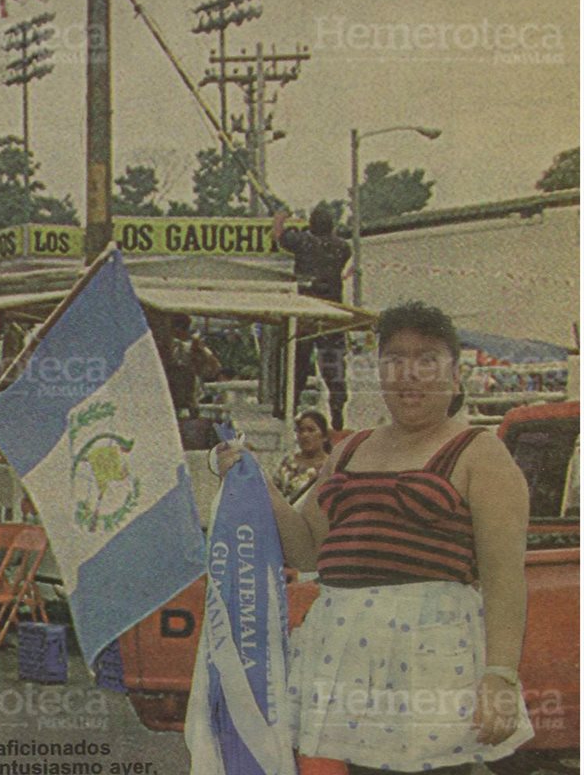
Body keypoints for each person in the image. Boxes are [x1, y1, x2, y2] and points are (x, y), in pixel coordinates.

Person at [216, 301, 533, 774]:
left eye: (427, 360)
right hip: (346, 655)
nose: (409, 374)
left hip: (430, 660)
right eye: (394, 360)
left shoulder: (479, 453)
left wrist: (501, 676)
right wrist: (252, 479)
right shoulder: (349, 449)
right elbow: (306, 549)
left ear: (456, 372)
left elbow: (505, 577)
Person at [274, 206, 352, 429]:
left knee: (297, 361)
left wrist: (280, 217)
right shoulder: (343, 248)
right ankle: (337, 406)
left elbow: (280, 236)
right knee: (333, 363)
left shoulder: (304, 243)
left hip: (306, 311)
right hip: (331, 312)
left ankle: (289, 405)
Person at [165, 315, 222, 419]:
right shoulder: (170, 345)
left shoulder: (192, 346)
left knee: (190, 411)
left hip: (187, 389)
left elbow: (215, 365)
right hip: (175, 388)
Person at [272, 410, 334, 504]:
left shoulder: (331, 466)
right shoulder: (288, 464)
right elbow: (274, 497)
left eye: (311, 430)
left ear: (324, 436)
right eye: (301, 431)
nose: (305, 435)